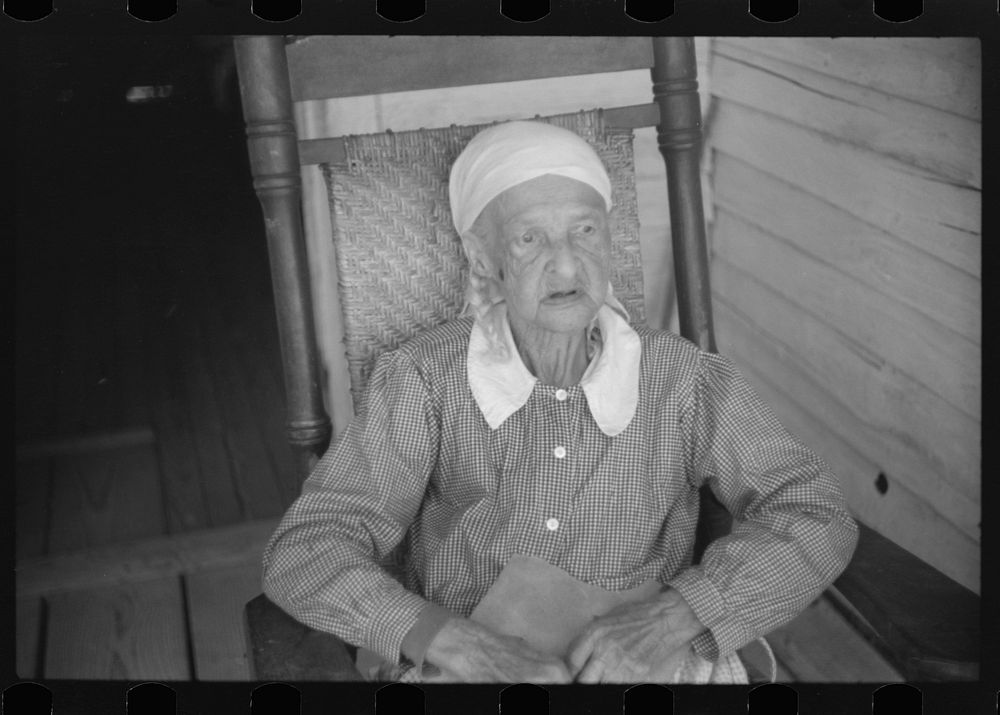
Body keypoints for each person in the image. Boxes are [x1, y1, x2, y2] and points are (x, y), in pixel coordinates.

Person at [262, 120, 859, 683]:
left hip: (655, 669)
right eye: (530, 238)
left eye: (585, 229)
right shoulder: (427, 378)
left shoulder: (681, 379)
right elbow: (307, 550)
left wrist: (676, 617)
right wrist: (458, 644)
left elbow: (816, 514)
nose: (568, 264)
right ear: (481, 259)